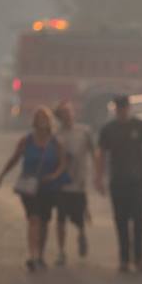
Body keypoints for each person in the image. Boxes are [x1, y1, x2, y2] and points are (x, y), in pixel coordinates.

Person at [0, 106, 68, 272]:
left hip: (48, 186)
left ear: (48, 121)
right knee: (33, 219)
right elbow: (14, 159)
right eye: (39, 118)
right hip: (29, 187)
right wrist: (1, 176)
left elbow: (63, 163)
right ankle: (32, 255)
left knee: (44, 221)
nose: (42, 121)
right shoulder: (26, 141)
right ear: (35, 122)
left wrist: (54, 176)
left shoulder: (56, 142)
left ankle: (40, 254)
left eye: (44, 118)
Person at [95, 95, 142, 273]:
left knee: (139, 219)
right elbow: (101, 153)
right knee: (121, 220)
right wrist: (98, 177)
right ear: (115, 109)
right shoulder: (109, 129)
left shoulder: (140, 126)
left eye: (124, 108)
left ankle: (139, 258)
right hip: (118, 181)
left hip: (138, 180)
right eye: (119, 108)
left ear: (128, 108)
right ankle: (124, 258)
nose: (122, 111)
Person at [52, 100, 95, 266]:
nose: (68, 115)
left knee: (78, 217)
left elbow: (94, 151)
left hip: (79, 183)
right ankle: (61, 252)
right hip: (62, 183)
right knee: (60, 218)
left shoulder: (84, 131)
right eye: (64, 113)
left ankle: (81, 233)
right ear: (60, 117)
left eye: (70, 112)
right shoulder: (57, 136)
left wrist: (97, 173)